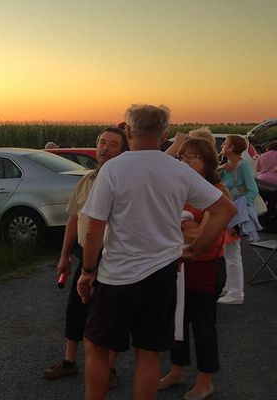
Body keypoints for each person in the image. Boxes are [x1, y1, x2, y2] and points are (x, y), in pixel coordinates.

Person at [76, 104, 236, 400]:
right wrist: (194, 250)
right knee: (148, 352)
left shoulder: (114, 169)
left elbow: (93, 229)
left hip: (118, 276)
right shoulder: (177, 170)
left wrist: (87, 271)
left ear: (128, 130)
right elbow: (224, 209)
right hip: (163, 274)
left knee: (96, 345)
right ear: (164, 134)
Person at [43, 127, 128, 386]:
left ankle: (109, 369)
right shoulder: (87, 180)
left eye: (113, 144)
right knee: (76, 309)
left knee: (113, 315)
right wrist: (65, 256)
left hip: (114, 257)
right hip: (85, 255)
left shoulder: (125, 183)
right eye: (102, 142)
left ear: (124, 151)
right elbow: (74, 218)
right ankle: (69, 361)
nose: (105, 148)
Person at [158, 138, 229, 400]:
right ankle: (176, 371)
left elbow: (205, 232)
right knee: (177, 321)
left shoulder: (217, 190)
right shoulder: (182, 189)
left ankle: (205, 381)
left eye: (193, 157)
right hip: (178, 266)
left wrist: (186, 230)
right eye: (183, 156)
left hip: (205, 267)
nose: (185, 161)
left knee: (203, 326)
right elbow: (168, 224)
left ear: (208, 161)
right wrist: (185, 230)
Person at [217, 135, 260, 304]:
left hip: (235, 215)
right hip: (229, 214)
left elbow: (253, 190)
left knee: (233, 252)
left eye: (226, 144)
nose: (222, 146)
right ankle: (230, 287)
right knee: (229, 251)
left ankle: (236, 293)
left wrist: (241, 210)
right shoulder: (229, 167)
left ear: (232, 147)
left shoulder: (243, 166)